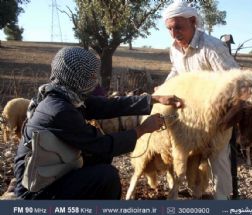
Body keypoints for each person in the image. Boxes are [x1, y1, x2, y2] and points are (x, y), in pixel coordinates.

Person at [14, 47, 183, 200]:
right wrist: (144, 129)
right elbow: (102, 144)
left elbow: (108, 105)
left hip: (49, 172)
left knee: (100, 159)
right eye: (91, 75)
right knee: (107, 176)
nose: (95, 79)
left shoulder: (63, 96)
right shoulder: (59, 110)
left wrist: (153, 99)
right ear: (77, 77)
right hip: (36, 189)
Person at [162, 1, 239, 200]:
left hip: (215, 116)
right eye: (170, 28)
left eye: (179, 27)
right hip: (190, 116)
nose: (174, 33)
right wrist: (164, 88)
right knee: (187, 155)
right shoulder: (174, 49)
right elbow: (176, 71)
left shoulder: (211, 47)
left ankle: (222, 200)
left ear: (193, 22)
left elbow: (233, 79)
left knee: (218, 158)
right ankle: (193, 192)